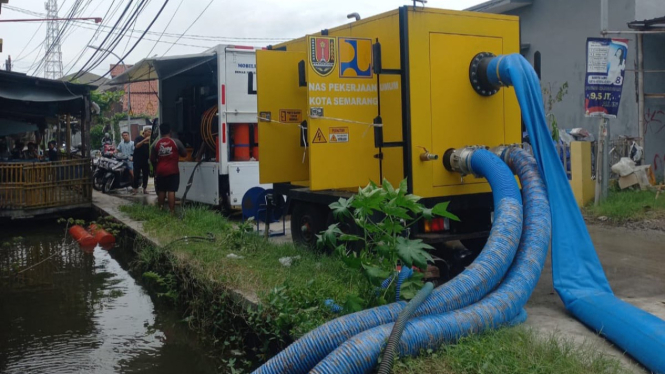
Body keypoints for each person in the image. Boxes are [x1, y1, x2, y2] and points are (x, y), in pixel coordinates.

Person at [150, 123, 186, 214]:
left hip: (160, 170)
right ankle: (172, 211)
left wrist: (156, 168)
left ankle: (160, 209)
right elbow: (184, 154)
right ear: (170, 131)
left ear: (161, 132)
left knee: (161, 190)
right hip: (173, 170)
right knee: (171, 190)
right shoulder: (176, 142)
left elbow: (152, 159)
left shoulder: (156, 143)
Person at [132, 126, 152, 195]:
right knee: (136, 174)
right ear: (145, 132)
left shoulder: (150, 140)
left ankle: (144, 189)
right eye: (148, 132)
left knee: (145, 175)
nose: (150, 133)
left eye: (150, 132)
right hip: (137, 159)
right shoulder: (138, 138)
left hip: (145, 160)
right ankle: (135, 189)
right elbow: (137, 146)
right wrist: (144, 140)